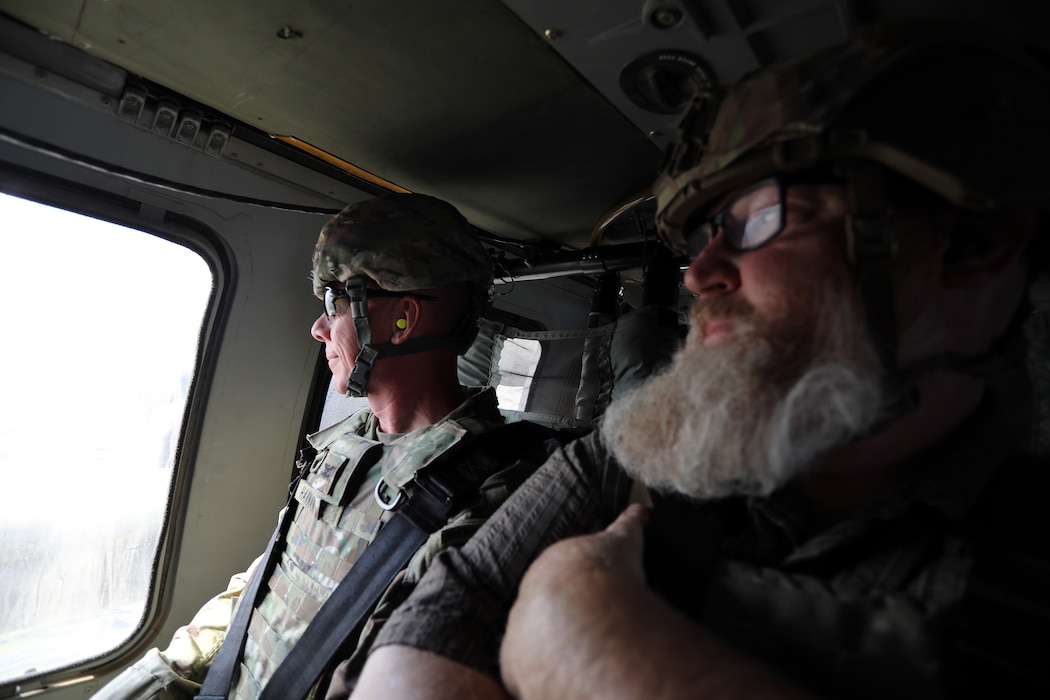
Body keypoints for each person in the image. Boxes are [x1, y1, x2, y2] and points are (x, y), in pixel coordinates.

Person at [348, 23, 1050, 699]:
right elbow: (438, 618)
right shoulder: (636, 460)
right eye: (705, 235)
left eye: (759, 219)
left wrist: (580, 631)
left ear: (969, 246)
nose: (699, 272)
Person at [93, 193, 559, 699]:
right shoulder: (345, 444)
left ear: (404, 319)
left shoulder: (494, 490)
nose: (318, 327)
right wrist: (152, 681)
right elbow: (262, 587)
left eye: (336, 301)